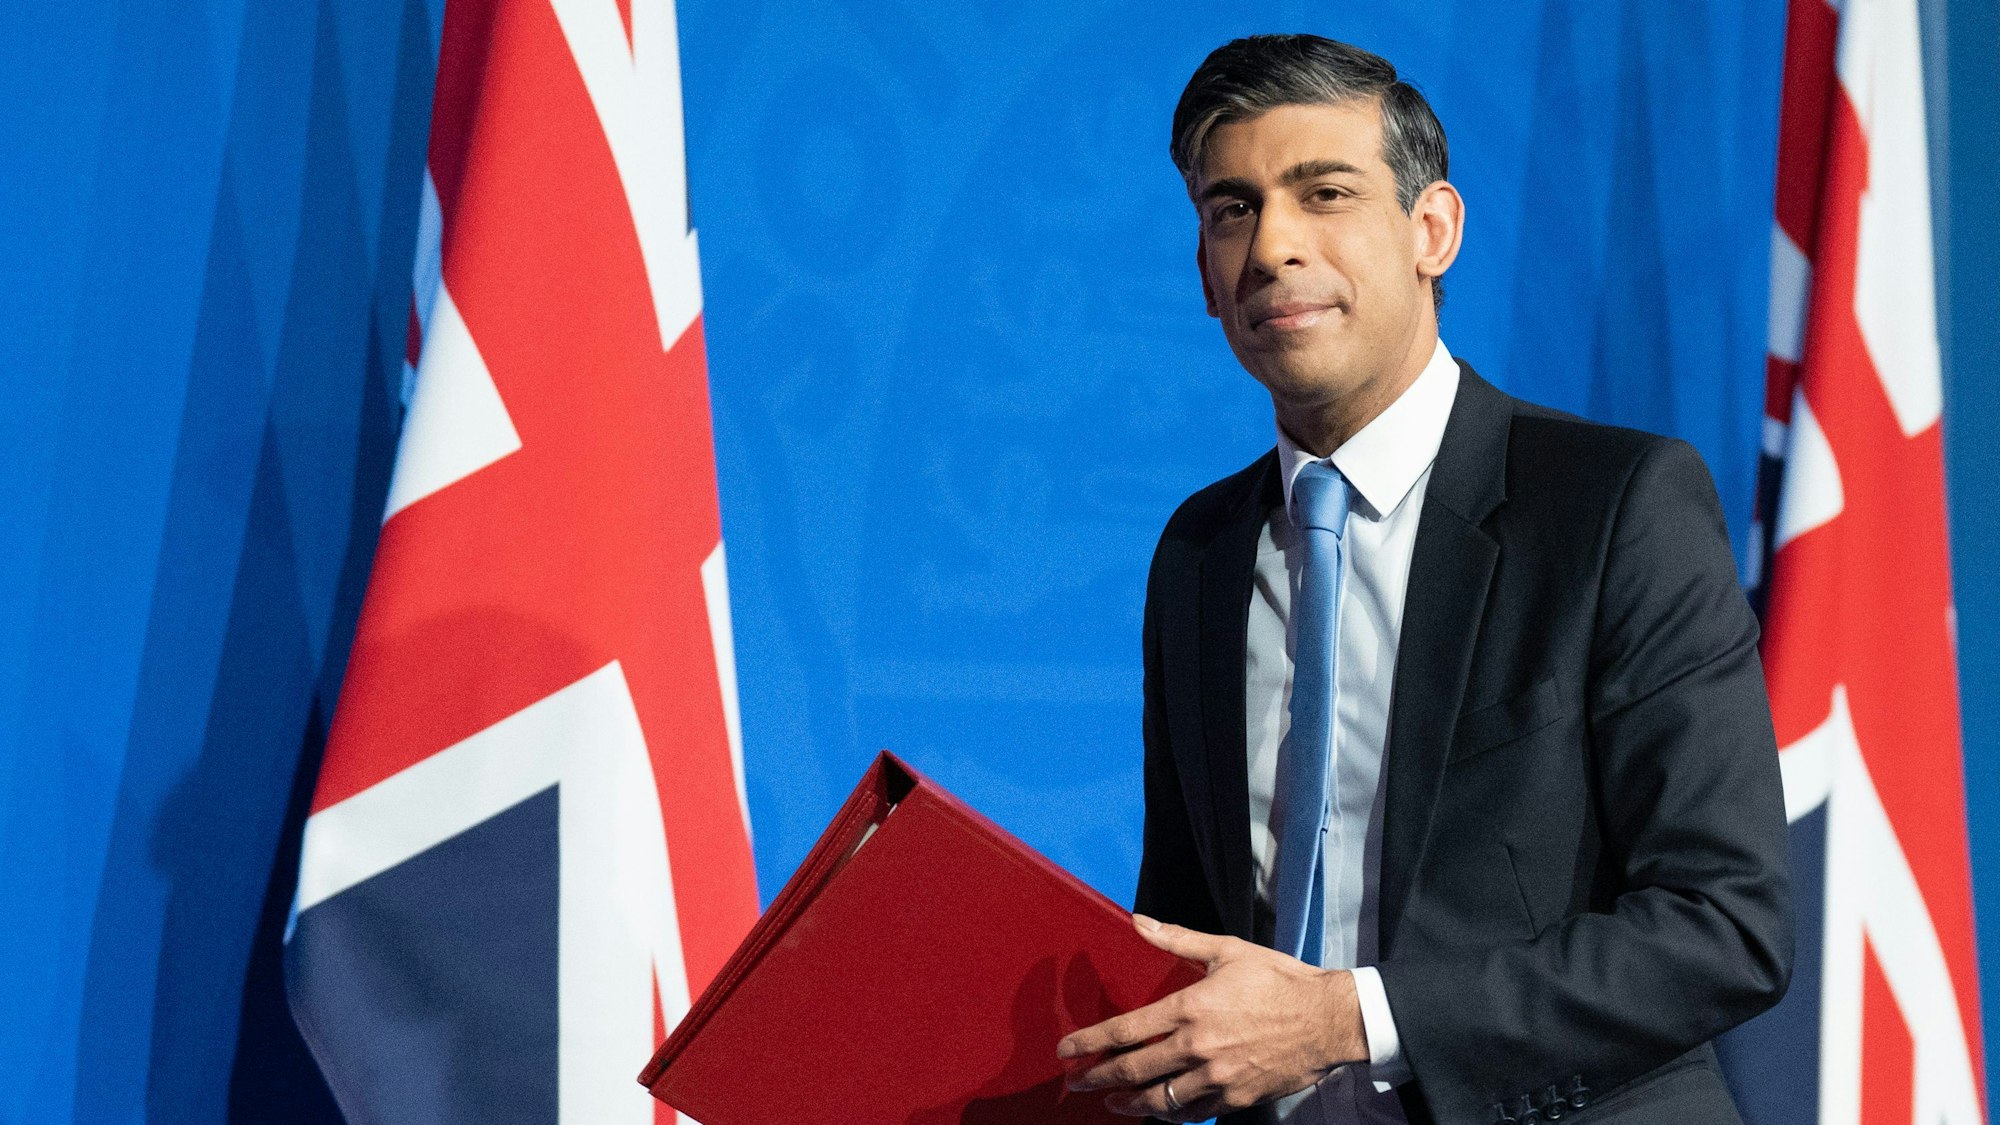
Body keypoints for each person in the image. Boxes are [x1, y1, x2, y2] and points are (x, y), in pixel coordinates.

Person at [1056, 34, 1791, 1125]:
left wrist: (1342, 1020)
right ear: (1203, 279)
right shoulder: (1198, 556)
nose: (1272, 249)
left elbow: (1722, 926)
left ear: (1430, 232)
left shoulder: (1613, 505)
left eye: (1324, 194)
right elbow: (1184, 930)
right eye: (1231, 210)